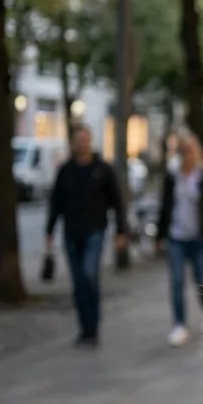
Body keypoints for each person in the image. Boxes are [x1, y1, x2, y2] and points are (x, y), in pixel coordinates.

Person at [46, 124, 128, 347]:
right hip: (72, 232)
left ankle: (93, 325)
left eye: (85, 139)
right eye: (77, 139)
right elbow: (56, 202)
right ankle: (85, 328)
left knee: (89, 274)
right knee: (79, 281)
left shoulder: (102, 169)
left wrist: (121, 230)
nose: (81, 143)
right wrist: (49, 231)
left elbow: (117, 202)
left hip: (95, 230)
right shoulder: (66, 170)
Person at [156, 133, 203, 346]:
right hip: (177, 236)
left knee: (201, 278)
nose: (187, 155)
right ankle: (179, 324)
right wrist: (160, 235)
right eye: (183, 151)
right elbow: (164, 207)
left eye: (190, 151)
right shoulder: (172, 177)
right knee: (176, 281)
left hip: (198, 237)